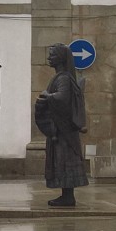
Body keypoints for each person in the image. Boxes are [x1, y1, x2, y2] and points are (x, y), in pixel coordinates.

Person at [35, 43, 88, 206]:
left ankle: (68, 196)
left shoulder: (64, 77)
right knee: (62, 162)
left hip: (63, 131)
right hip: (61, 130)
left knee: (64, 162)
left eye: (52, 54)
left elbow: (62, 98)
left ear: (60, 58)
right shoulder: (61, 77)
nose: (49, 57)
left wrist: (47, 95)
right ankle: (66, 195)